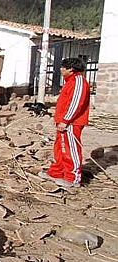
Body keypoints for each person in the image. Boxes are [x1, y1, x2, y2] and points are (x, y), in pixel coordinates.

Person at [38, 58, 90, 188]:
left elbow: (76, 103)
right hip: (63, 122)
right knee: (60, 148)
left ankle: (72, 177)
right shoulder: (70, 82)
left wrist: (66, 120)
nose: (61, 69)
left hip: (72, 123)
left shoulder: (78, 81)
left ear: (71, 69)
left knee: (70, 149)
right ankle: (57, 172)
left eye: (63, 67)